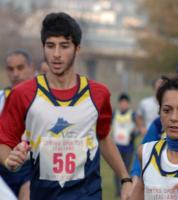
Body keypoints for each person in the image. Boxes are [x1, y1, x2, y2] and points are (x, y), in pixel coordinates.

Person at [0, 12, 131, 200]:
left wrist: (125, 179)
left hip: (88, 195)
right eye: (50, 46)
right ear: (43, 47)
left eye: (64, 46)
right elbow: (4, 140)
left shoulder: (98, 94)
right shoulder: (23, 94)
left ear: (77, 48)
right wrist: (9, 160)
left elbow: (103, 138)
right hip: (43, 194)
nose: (56, 54)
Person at [0, 49, 35, 200]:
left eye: (20, 68)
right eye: (10, 69)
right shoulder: (1, 98)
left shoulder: (43, 99)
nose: (15, 73)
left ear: (31, 68)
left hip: (30, 167)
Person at [112, 93, 138, 197]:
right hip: (117, 147)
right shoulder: (114, 114)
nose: (123, 104)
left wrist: (134, 134)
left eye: (125, 103)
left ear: (128, 104)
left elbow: (139, 127)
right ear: (119, 104)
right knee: (117, 170)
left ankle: (127, 190)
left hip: (128, 148)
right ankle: (118, 191)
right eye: (121, 102)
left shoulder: (133, 115)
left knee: (126, 170)